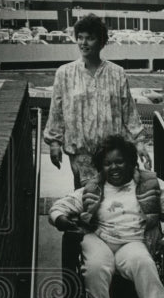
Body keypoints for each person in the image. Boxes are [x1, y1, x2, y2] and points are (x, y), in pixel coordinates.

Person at [49, 134, 164, 298]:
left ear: (131, 162)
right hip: (99, 238)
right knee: (95, 266)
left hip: (133, 241)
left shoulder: (151, 183)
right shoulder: (93, 187)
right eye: (107, 164)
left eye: (119, 162)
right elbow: (59, 207)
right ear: (100, 167)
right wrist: (61, 220)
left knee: (142, 262)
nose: (113, 168)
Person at [43, 13, 150, 187]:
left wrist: (139, 143)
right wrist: (54, 142)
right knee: (88, 201)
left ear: (101, 42)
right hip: (81, 154)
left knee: (113, 203)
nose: (83, 43)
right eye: (80, 38)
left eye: (90, 38)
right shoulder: (65, 74)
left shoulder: (117, 73)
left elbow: (129, 112)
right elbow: (56, 111)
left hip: (113, 155)